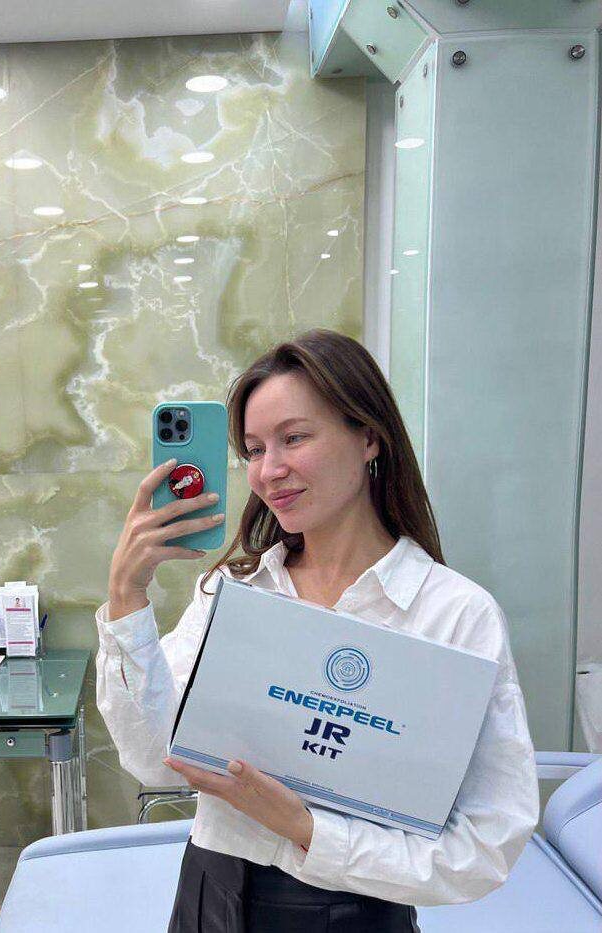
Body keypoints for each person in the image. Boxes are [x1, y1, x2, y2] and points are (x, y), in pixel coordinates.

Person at [95, 329, 540, 932]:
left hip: (355, 910)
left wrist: (306, 829)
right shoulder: (233, 590)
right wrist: (127, 597)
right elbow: (155, 760)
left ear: (369, 437)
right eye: (254, 449)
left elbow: (484, 846)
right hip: (208, 890)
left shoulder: (454, 614)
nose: (269, 471)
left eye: (294, 438)